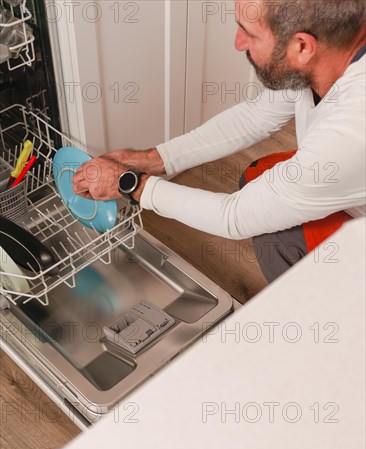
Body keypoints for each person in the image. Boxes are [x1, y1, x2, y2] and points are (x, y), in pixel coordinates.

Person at [73, 0, 366, 282]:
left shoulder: (351, 132)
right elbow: (257, 116)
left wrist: (131, 184)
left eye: (249, 33)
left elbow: (234, 216)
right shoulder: (331, 49)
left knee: (275, 237)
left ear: (302, 46)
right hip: (346, 181)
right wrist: (153, 159)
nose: (238, 42)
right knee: (256, 177)